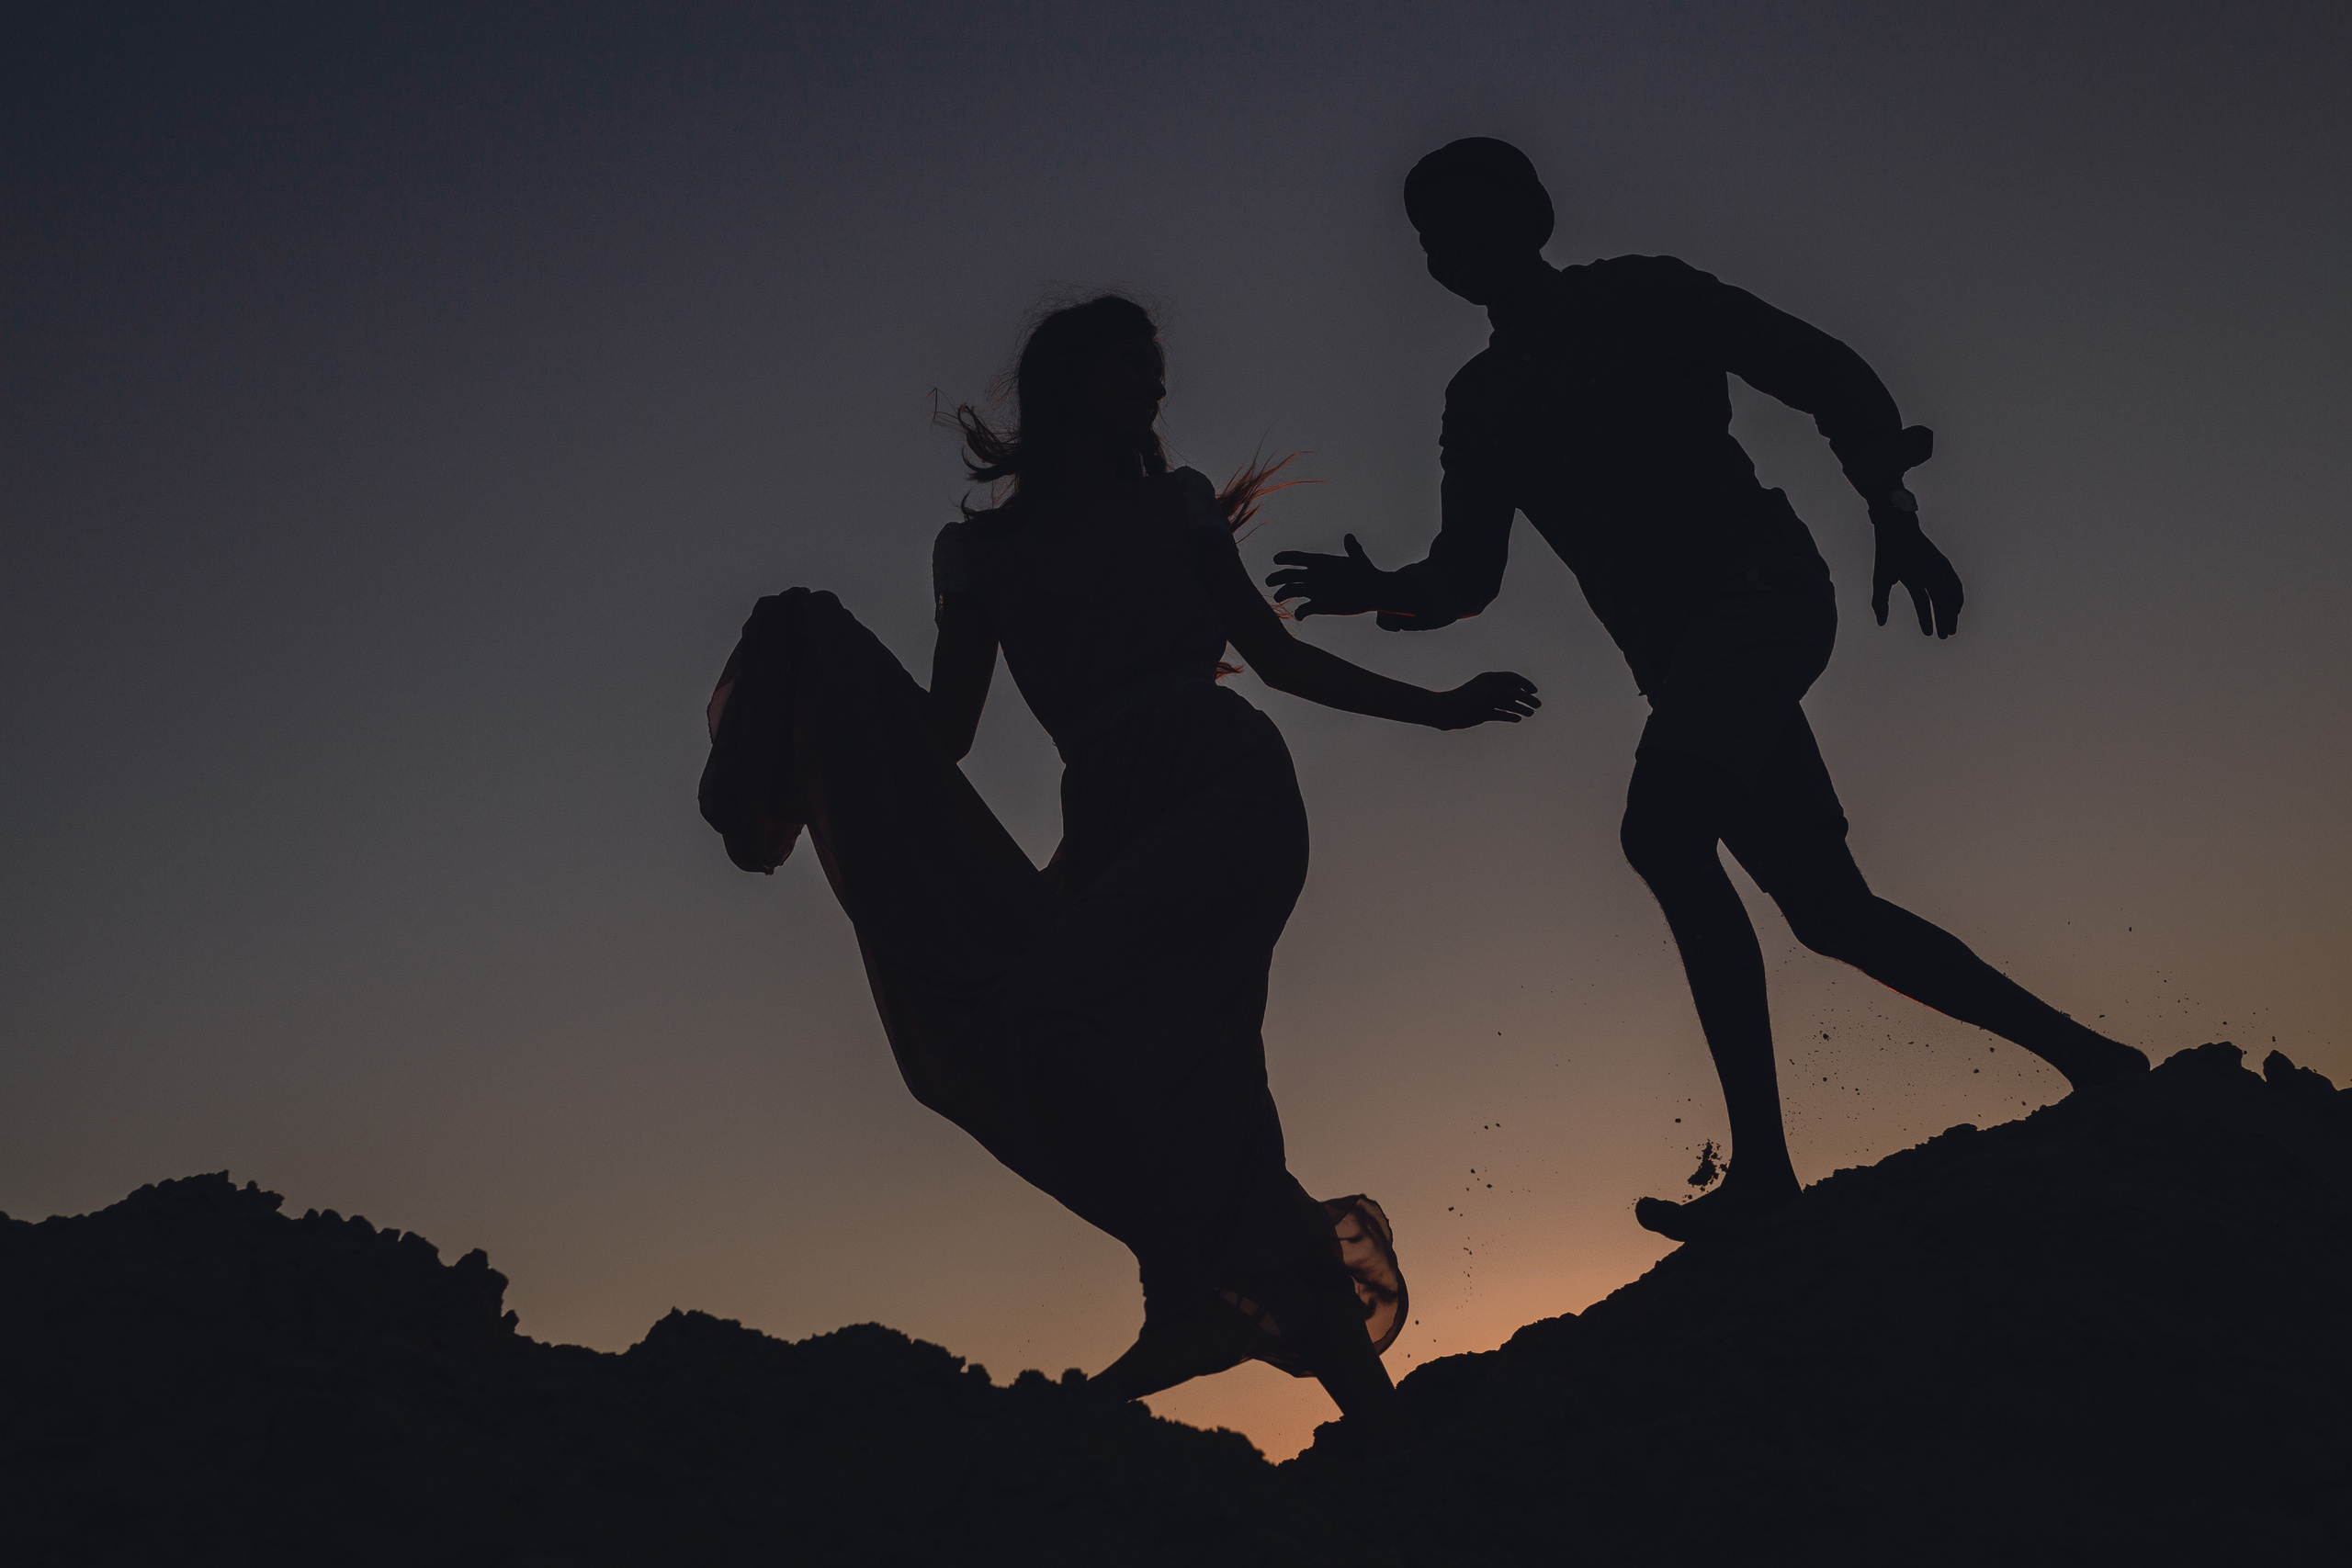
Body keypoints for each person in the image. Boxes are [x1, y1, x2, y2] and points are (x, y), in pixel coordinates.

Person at [1264, 139, 2147, 1244]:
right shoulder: (1481, 400)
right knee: (1831, 914)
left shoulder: (1645, 296)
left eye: (1478, 222)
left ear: (1534, 216)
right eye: (1440, 240)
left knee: (1661, 834)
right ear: (1434, 268)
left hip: (1764, 598)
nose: (1461, 249)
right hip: (1683, 667)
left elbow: (1827, 374)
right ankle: (2096, 1060)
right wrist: (1380, 590)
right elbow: (1467, 575)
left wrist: (1892, 509)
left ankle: (1766, 1176)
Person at [700, 293, 1537, 1431]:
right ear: (1067, 383)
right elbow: (943, 732)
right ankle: (1349, 1396)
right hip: (1104, 813)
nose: (1155, 389)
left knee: (1052, 1012)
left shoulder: (1178, 508)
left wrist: (1436, 711)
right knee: (1189, 1088)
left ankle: (1197, 1301)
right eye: (1133, 368)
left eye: (1157, 372)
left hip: (1222, 787)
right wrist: (830, 662)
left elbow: (1277, 663)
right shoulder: (977, 555)